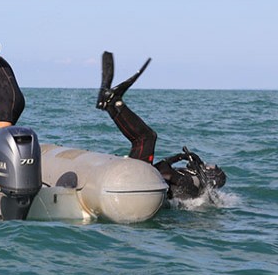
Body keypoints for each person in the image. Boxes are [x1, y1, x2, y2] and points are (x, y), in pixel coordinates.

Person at [96, 51, 226, 200]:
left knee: (147, 137)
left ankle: (113, 103)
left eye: (210, 167)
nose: (206, 165)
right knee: (146, 138)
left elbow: (163, 171)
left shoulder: (192, 184)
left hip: (138, 181)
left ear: (211, 177)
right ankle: (111, 105)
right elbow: (165, 170)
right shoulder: (194, 185)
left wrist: (174, 160)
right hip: (142, 181)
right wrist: (179, 157)